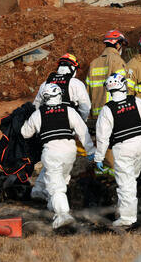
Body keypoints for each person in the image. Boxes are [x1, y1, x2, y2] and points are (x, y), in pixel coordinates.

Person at [94, 73, 141, 228]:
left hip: (123, 147)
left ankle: (127, 218)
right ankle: (122, 211)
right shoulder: (136, 101)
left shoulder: (107, 110)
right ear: (124, 86)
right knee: (130, 179)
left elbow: (102, 137)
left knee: (125, 183)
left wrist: (99, 157)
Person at [21, 83, 95, 229]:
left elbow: (25, 133)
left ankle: (63, 214)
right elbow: (82, 130)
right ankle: (51, 207)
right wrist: (91, 151)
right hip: (69, 151)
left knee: (56, 186)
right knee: (61, 179)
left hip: (52, 152)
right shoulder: (68, 110)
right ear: (59, 95)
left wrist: (23, 119)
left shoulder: (39, 114)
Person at [86, 30, 129, 126]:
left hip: (97, 116)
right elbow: (125, 88)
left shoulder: (93, 63)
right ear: (117, 45)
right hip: (114, 114)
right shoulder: (117, 61)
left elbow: (87, 91)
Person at [34, 53, 91, 121]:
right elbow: (85, 107)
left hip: (48, 124)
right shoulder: (76, 83)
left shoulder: (45, 83)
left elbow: (36, 106)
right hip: (69, 126)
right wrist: (82, 121)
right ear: (73, 69)